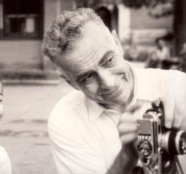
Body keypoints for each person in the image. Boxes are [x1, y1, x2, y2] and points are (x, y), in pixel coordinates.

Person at [41, 8, 186, 174]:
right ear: (71, 83)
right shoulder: (65, 119)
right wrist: (127, 156)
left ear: (117, 43)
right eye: (87, 77)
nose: (108, 83)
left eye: (108, 60)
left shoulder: (177, 86)